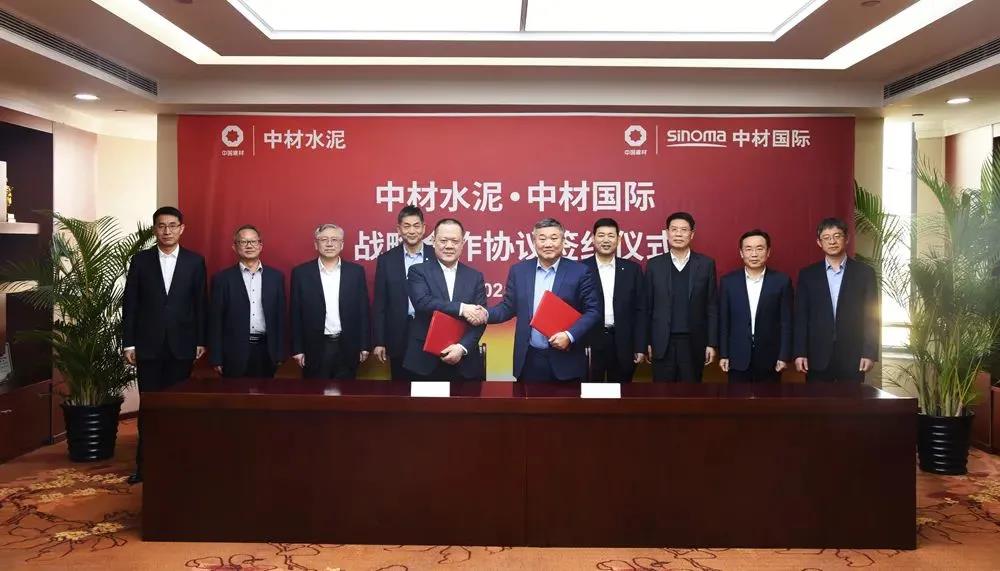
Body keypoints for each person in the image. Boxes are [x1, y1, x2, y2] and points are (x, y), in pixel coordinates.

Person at [122, 206, 207, 484]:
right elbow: (130, 304)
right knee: (149, 407)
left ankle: (177, 464)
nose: (167, 231)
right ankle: (145, 467)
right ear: (154, 229)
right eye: (161, 226)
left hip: (182, 346)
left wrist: (200, 340)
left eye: (172, 225)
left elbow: (200, 304)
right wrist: (128, 343)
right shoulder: (141, 261)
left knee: (178, 407)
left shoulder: (195, 261)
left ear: (182, 228)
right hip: (148, 347)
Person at [476, 218, 600, 382]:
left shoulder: (580, 272)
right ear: (534, 242)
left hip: (566, 359)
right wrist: (484, 314)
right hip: (530, 358)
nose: (548, 244)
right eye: (542, 239)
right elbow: (507, 308)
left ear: (563, 241)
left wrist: (569, 335)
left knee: (567, 400)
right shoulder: (519, 271)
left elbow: (593, 311)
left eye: (554, 238)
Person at [793, 218, 879, 382]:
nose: (832, 241)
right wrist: (799, 352)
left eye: (837, 236)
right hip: (816, 355)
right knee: (817, 399)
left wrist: (869, 353)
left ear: (846, 239)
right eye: (826, 238)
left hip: (853, 355)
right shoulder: (808, 275)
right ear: (819, 243)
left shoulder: (864, 273)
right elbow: (801, 317)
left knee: (852, 399)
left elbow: (872, 317)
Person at [403, 218, 487, 381]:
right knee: (424, 400)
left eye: (455, 241)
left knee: (465, 399)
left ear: (462, 243)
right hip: (424, 361)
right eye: (443, 240)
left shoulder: (475, 277)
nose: (449, 246)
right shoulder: (418, 271)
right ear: (434, 241)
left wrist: (462, 348)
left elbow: (480, 318)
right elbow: (422, 302)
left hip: (464, 363)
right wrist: (462, 308)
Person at [289, 223, 371, 379]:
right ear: (316, 244)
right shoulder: (301, 273)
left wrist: (364, 345)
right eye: (324, 239)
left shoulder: (355, 272)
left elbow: (363, 311)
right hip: (314, 347)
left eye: (334, 239)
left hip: (347, 345)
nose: (329, 244)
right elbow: (295, 313)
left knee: (346, 392)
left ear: (342, 244)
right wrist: (297, 349)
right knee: (314, 392)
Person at [645, 211, 718, 382]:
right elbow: (647, 307)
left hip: (694, 342)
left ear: (692, 234)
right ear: (667, 233)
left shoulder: (706, 264)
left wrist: (712, 343)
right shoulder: (654, 265)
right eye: (674, 229)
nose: (678, 234)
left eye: (684, 230)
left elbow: (712, 306)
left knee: (692, 394)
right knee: (661, 393)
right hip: (662, 342)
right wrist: (646, 341)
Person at [208, 224, 285, 378]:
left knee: (266, 392)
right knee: (234, 393)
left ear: (260, 246)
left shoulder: (276, 277)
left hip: (266, 350)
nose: (249, 246)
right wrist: (216, 357)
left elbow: (280, 317)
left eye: (253, 241)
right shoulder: (222, 279)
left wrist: (279, 353)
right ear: (234, 247)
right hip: (233, 352)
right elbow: (215, 321)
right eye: (243, 242)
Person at [718, 229, 793, 382]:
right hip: (737, 357)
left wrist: (784, 356)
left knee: (769, 397)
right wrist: (724, 354)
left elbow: (786, 322)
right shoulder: (728, 282)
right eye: (748, 249)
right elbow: (724, 321)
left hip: (771, 358)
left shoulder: (782, 281)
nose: (754, 254)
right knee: (736, 397)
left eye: (759, 249)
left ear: (768, 252)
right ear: (741, 253)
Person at [372, 205, 434, 380]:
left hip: (429, 330)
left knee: (431, 386)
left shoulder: (437, 256)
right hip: (398, 333)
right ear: (398, 229)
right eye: (406, 226)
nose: (412, 231)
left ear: (423, 228)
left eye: (416, 226)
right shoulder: (386, 260)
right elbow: (380, 303)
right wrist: (379, 341)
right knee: (401, 387)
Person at [581, 217, 646, 382]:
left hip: (623, 341)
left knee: (621, 391)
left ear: (619, 239)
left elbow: (641, 310)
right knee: (590, 391)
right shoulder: (580, 269)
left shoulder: (632, 270)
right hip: (590, 342)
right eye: (601, 235)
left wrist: (640, 346)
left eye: (611, 235)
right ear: (593, 238)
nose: (606, 240)